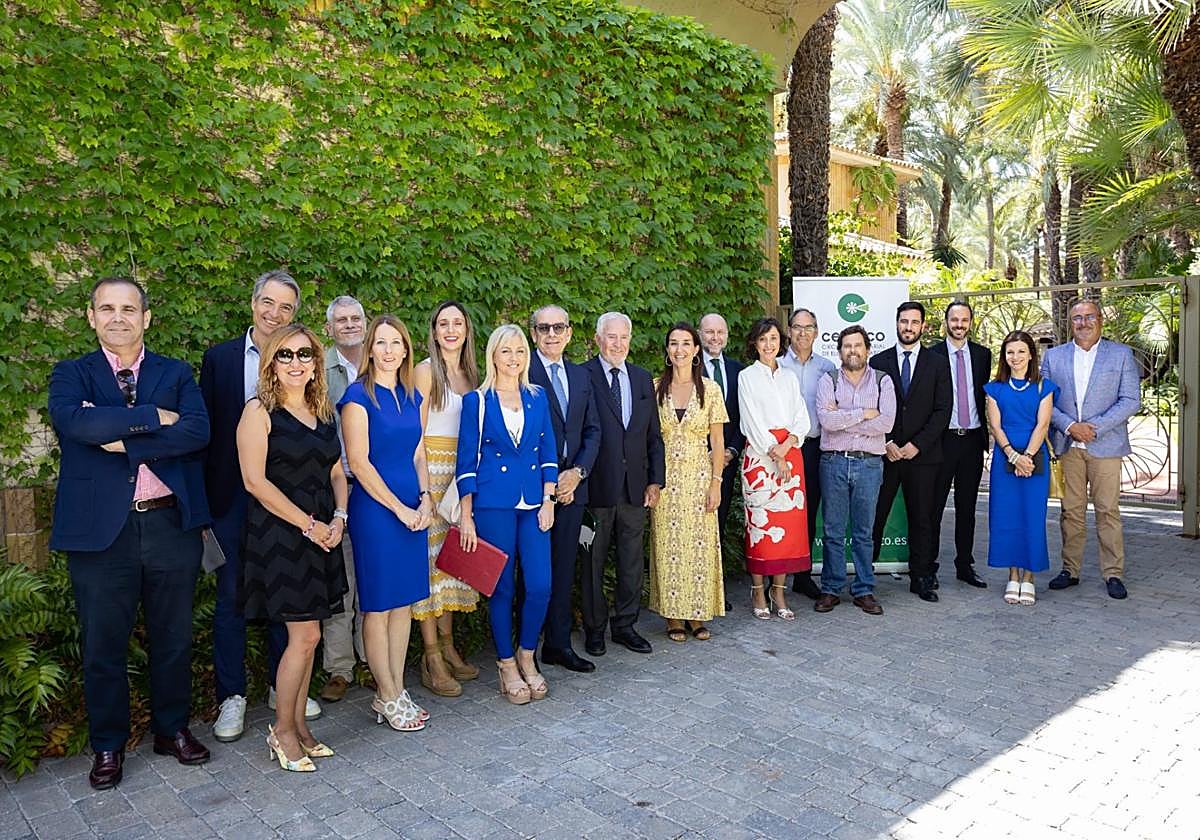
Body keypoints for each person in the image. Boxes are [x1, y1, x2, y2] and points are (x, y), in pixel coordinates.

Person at [49, 276, 212, 791]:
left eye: (128, 309)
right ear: (91, 316)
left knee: (173, 638)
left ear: (146, 318)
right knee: (103, 645)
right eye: (107, 309)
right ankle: (107, 745)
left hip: (168, 524)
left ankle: (171, 730)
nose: (118, 317)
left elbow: (196, 432)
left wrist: (122, 435)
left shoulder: (176, 372)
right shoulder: (71, 374)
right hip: (100, 536)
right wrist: (149, 418)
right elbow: (77, 426)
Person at [200, 269, 318, 744]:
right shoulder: (221, 360)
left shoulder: (301, 362)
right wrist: (205, 509)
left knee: (284, 598)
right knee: (231, 597)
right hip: (232, 500)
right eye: (267, 303)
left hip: (288, 501)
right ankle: (232, 696)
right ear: (253, 304)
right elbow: (206, 435)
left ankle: (279, 686)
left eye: (286, 307)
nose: (275, 314)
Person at [236, 325, 348, 772]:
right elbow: (253, 481)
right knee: (303, 637)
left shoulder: (323, 412)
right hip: (281, 536)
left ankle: (298, 725)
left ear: (316, 362)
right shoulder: (258, 412)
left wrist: (339, 518)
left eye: (305, 354)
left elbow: (337, 470)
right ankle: (281, 732)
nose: (296, 362)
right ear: (270, 363)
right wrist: (309, 525)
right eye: (285, 355)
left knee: (312, 635)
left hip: (324, 531)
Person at [455, 325, 558, 705]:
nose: (513, 358)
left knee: (541, 585)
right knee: (501, 587)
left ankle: (526, 655)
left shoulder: (537, 396)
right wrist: (466, 515)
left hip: (533, 503)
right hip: (492, 503)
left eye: (519, 351)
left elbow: (548, 450)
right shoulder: (476, 401)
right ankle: (505, 665)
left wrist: (549, 499)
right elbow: (465, 460)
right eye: (505, 351)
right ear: (492, 356)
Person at [341, 315, 433, 729]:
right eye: (381, 342)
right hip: (378, 512)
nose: (390, 350)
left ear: (406, 349)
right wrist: (400, 509)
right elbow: (358, 463)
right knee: (378, 607)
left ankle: (392, 689)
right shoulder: (357, 396)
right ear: (370, 349)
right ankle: (389, 693)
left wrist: (427, 498)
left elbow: (418, 453)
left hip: (414, 509)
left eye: (397, 342)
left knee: (403, 603)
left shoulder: (412, 395)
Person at [1041, 298, 1141, 599]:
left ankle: (1113, 573)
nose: (1083, 323)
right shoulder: (1054, 357)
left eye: (1088, 317)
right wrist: (1071, 426)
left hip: (1106, 445)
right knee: (1070, 512)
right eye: (1076, 318)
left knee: (1107, 511)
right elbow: (1045, 399)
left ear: (1100, 320)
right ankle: (1070, 570)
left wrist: (1094, 427)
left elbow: (1131, 399)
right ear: (1070, 323)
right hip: (1068, 443)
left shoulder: (1121, 355)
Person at [582, 312, 666, 655]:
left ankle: (625, 625)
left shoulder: (643, 378)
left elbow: (653, 436)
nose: (618, 344)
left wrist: (655, 481)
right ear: (599, 339)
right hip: (595, 490)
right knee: (591, 563)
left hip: (635, 489)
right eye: (611, 337)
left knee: (632, 561)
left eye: (623, 337)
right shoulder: (582, 375)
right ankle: (594, 629)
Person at [412, 301, 482, 696]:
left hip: (461, 477)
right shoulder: (425, 372)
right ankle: (431, 656)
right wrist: (423, 491)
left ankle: (450, 646)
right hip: (432, 476)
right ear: (434, 330)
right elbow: (415, 437)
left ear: (466, 330)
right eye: (443, 323)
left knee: (455, 564)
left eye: (457, 323)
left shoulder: (474, 375)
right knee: (430, 568)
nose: (451, 329)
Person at [528, 305, 601, 673]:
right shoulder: (522, 371)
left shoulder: (580, 375)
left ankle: (557, 645)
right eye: (544, 328)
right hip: (535, 492)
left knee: (562, 569)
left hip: (574, 489)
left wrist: (577, 474)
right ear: (534, 334)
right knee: (531, 573)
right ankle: (525, 649)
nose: (552, 334)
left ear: (570, 333)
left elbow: (593, 430)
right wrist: (552, 482)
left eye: (559, 328)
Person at [869, 301, 952, 603]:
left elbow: (943, 409)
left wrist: (917, 445)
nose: (908, 327)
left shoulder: (938, 363)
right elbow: (872, 408)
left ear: (923, 326)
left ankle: (922, 578)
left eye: (914, 322)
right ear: (896, 323)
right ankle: (866, 580)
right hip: (885, 454)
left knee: (923, 519)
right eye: (904, 321)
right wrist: (887, 441)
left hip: (923, 456)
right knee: (875, 517)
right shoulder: (878, 361)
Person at [650, 323, 728, 641]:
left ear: (696, 350)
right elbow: (648, 440)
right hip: (666, 481)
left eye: (686, 343)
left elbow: (719, 442)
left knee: (700, 548)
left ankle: (697, 614)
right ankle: (672, 615)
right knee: (668, 548)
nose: (679, 349)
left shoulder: (710, 390)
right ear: (667, 351)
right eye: (673, 344)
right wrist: (651, 482)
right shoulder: (655, 388)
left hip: (699, 479)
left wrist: (716, 483)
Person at [814, 326, 896, 615]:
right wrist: (863, 414)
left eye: (858, 345)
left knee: (864, 531)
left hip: (869, 464)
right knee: (833, 529)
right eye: (847, 346)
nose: (853, 350)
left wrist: (844, 417)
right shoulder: (829, 380)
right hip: (834, 461)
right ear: (839, 352)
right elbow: (826, 420)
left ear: (867, 350)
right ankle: (831, 588)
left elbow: (886, 424)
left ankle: (864, 589)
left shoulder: (883, 381)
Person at [738, 317, 810, 621]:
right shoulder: (746, 377)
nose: (769, 345)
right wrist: (774, 452)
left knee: (789, 528)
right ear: (755, 343)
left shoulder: (790, 377)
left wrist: (788, 445)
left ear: (781, 341)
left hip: (791, 455)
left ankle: (779, 590)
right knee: (761, 528)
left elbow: (801, 417)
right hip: (760, 457)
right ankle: (757, 589)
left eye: (773, 339)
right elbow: (751, 420)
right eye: (763, 339)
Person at [983, 331, 1058, 605]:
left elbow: (1042, 425)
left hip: (1034, 458)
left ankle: (1029, 577)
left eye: (1021, 351)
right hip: (1006, 459)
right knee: (1006, 518)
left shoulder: (1043, 387)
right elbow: (996, 426)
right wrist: (1013, 457)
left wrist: (1027, 456)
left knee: (1032, 517)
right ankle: (1013, 575)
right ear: (1004, 356)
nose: (1015, 357)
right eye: (1010, 352)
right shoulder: (995, 389)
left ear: (1031, 354)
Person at [320, 295, 367, 703]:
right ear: (329, 328)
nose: (350, 324)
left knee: (373, 576)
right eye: (342, 320)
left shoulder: (383, 363)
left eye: (356, 318)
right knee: (341, 580)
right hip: (338, 486)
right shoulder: (318, 370)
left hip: (378, 490)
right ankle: (339, 667)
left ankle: (373, 659)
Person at [929, 301, 991, 589]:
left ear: (971, 322)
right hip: (942, 441)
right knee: (934, 506)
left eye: (964, 320)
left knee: (967, 507)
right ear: (946, 321)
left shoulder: (983, 355)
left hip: (972, 440)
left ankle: (964, 565)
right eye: (954, 319)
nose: (959, 324)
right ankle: (928, 566)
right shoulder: (932, 355)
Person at [778, 307, 837, 600]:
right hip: (780, 452)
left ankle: (802, 575)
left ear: (817, 331)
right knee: (778, 511)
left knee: (809, 511)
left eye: (809, 327)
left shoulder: (827, 368)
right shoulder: (775, 365)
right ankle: (773, 575)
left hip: (813, 449)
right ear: (789, 331)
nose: (803, 333)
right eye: (797, 327)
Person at [698, 313, 745, 548]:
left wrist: (731, 451)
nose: (715, 337)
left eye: (720, 332)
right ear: (699, 334)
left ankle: (715, 580)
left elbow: (743, 416)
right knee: (695, 522)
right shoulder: (688, 365)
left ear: (726, 335)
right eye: (709, 332)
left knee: (719, 520)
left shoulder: (739, 371)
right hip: (695, 461)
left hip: (727, 461)